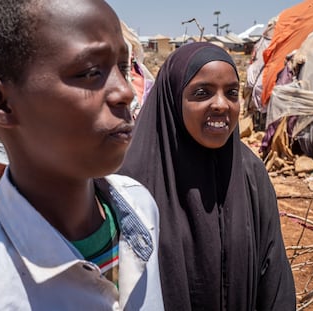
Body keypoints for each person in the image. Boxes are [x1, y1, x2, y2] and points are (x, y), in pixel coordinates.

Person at [0, 0, 164, 310]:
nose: (126, 91)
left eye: (121, 66)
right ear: (0, 103)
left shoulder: (141, 210)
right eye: (92, 72)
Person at [119, 42, 296, 310]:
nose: (221, 105)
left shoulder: (250, 174)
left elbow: (274, 279)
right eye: (202, 93)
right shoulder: (131, 183)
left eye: (232, 93)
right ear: (173, 98)